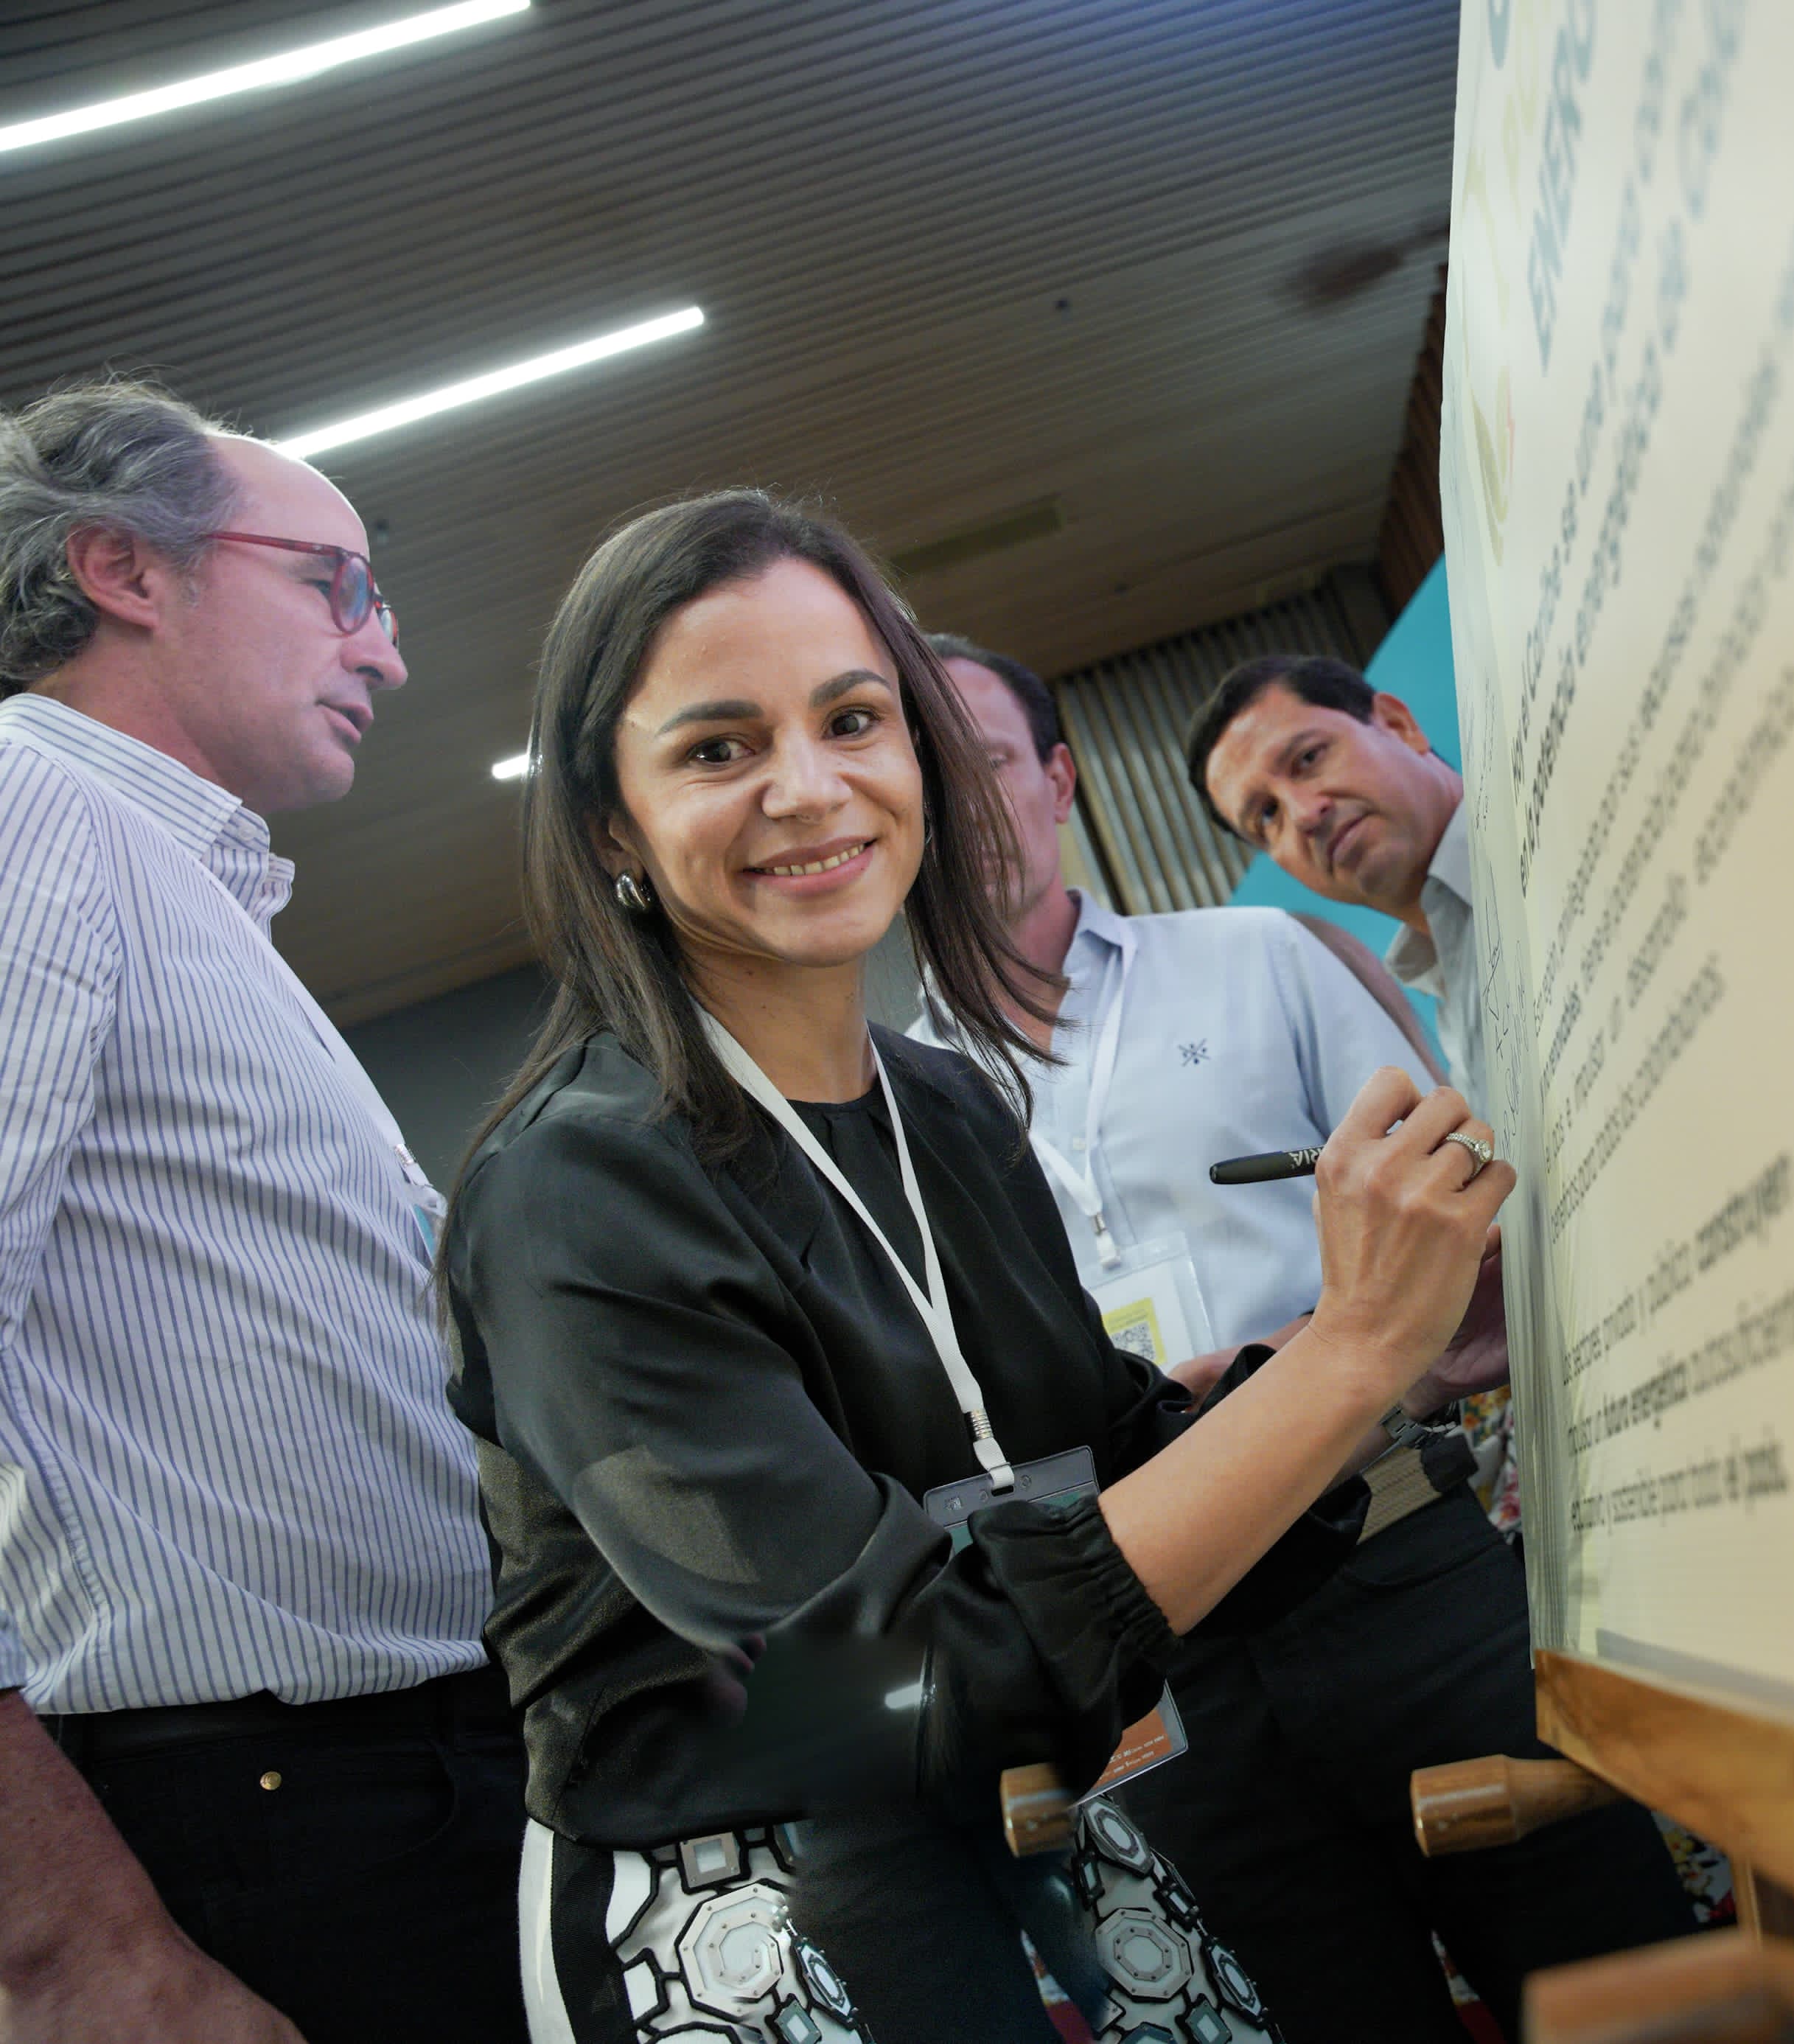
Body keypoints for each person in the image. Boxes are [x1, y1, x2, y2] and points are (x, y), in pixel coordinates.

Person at [439, 490, 1513, 2044]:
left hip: (1040, 1821)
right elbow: (890, 1675)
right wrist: (1349, 1349)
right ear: (610, 824)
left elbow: (1111, 1442)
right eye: (718, 748)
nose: (810, 791)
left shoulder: (938, 1102)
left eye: (853, 718)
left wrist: (1347, 1362)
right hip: (752, 1910)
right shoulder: (574, 1186)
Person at [916, 638, 1695, 2040]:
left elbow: (1466, 1206)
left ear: (1055, 776)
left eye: (978, 757)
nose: (956, 803)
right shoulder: (893, 1119)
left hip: (1396, 1556)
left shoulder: (1254, 960)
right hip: (1152, 1658)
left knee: (1625, 1995)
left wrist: (1303, 1354)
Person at [0, 380, 525, 2043]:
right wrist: (74, 1944)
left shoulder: (180, 888)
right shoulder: (30, 813)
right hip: (272, 1814)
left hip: (393, 1784)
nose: (385, 652)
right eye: (337, 584)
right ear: (126, 570)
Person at [1183, 654, 1482, 1089]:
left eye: (1308, 758)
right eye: (1268, 815)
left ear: (1399, 726)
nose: (1304, 814)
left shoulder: (1565, 826)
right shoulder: (1448, 999)